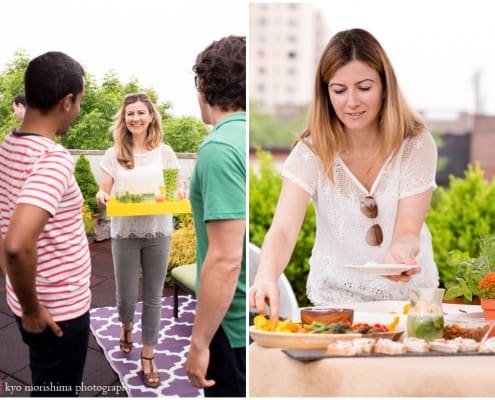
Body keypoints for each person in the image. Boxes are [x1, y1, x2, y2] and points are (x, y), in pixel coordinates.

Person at [249, 28, 440, 322]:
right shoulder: (310, 152)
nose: (351, 102)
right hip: (335, 303)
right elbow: (284, 231)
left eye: (364, 87)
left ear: (385, 86)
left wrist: (400, 254)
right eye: (339, 90)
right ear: (326, 92)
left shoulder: (415, 144)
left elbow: (407, 232)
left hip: (410, 305)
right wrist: (265, 276)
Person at [0, 51, 90, 396]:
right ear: (67, 102)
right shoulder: (52, 159)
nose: (79, 110)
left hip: (31, 298)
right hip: (57, 313)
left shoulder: (9, 145)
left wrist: (12, 279)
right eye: (80, 102)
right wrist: (32, 309)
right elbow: (17, 243)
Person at [96, 92, 180, 388]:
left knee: (154, 295)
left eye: (140, 113)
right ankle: (126, 326)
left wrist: (179, 194)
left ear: (151, 116)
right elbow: (103, 192)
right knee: (127, 296)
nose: (135, 118)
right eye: (130, 113)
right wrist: (102, 196)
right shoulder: (113, 153)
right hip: (125, 232)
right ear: (124, 118)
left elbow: (174, 190)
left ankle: (148, 352)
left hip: (159, 230)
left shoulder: (165, 152)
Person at [185, 35, 246, 397]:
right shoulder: (245, 138)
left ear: (205, 84)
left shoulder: (219, 147)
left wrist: (199, 343)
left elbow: (224, 259)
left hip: (232, 325)